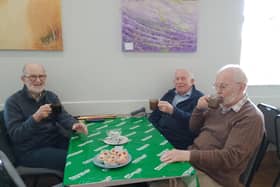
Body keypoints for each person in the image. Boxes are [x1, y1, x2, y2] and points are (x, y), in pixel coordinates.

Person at [156, 64, 265, 187]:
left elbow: (230, 158)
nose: (218, 91)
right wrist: (198, 109)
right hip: (194, 162)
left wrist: (188, 155)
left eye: (223, 86)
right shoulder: (219, 105)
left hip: (215, 176)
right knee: (153, 173)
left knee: (159, 181)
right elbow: (194, 129)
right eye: (216, 86)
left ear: (241, 87)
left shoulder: (250, 117)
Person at [4, 63, 88, 172]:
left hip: (54, 141)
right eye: (33, 77)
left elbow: (63, 116)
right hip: (30, 150)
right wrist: (35, 118)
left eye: (41, 76)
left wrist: (74, 124)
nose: (38, 81)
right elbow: (16, 135)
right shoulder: (12, 102)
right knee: (75, 160)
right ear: (23, 79)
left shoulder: (51, 96)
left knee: (85, 150)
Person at [148, 69, 203, 149]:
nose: (179, 82)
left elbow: (195, 123)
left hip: (179, 142)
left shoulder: (199, 98)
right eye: (177, 79)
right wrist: (151, 130)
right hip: (160, 136)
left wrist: (173, 111)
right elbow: (155, 114)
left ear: (192, 81)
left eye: (183, 78)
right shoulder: (170, 94)